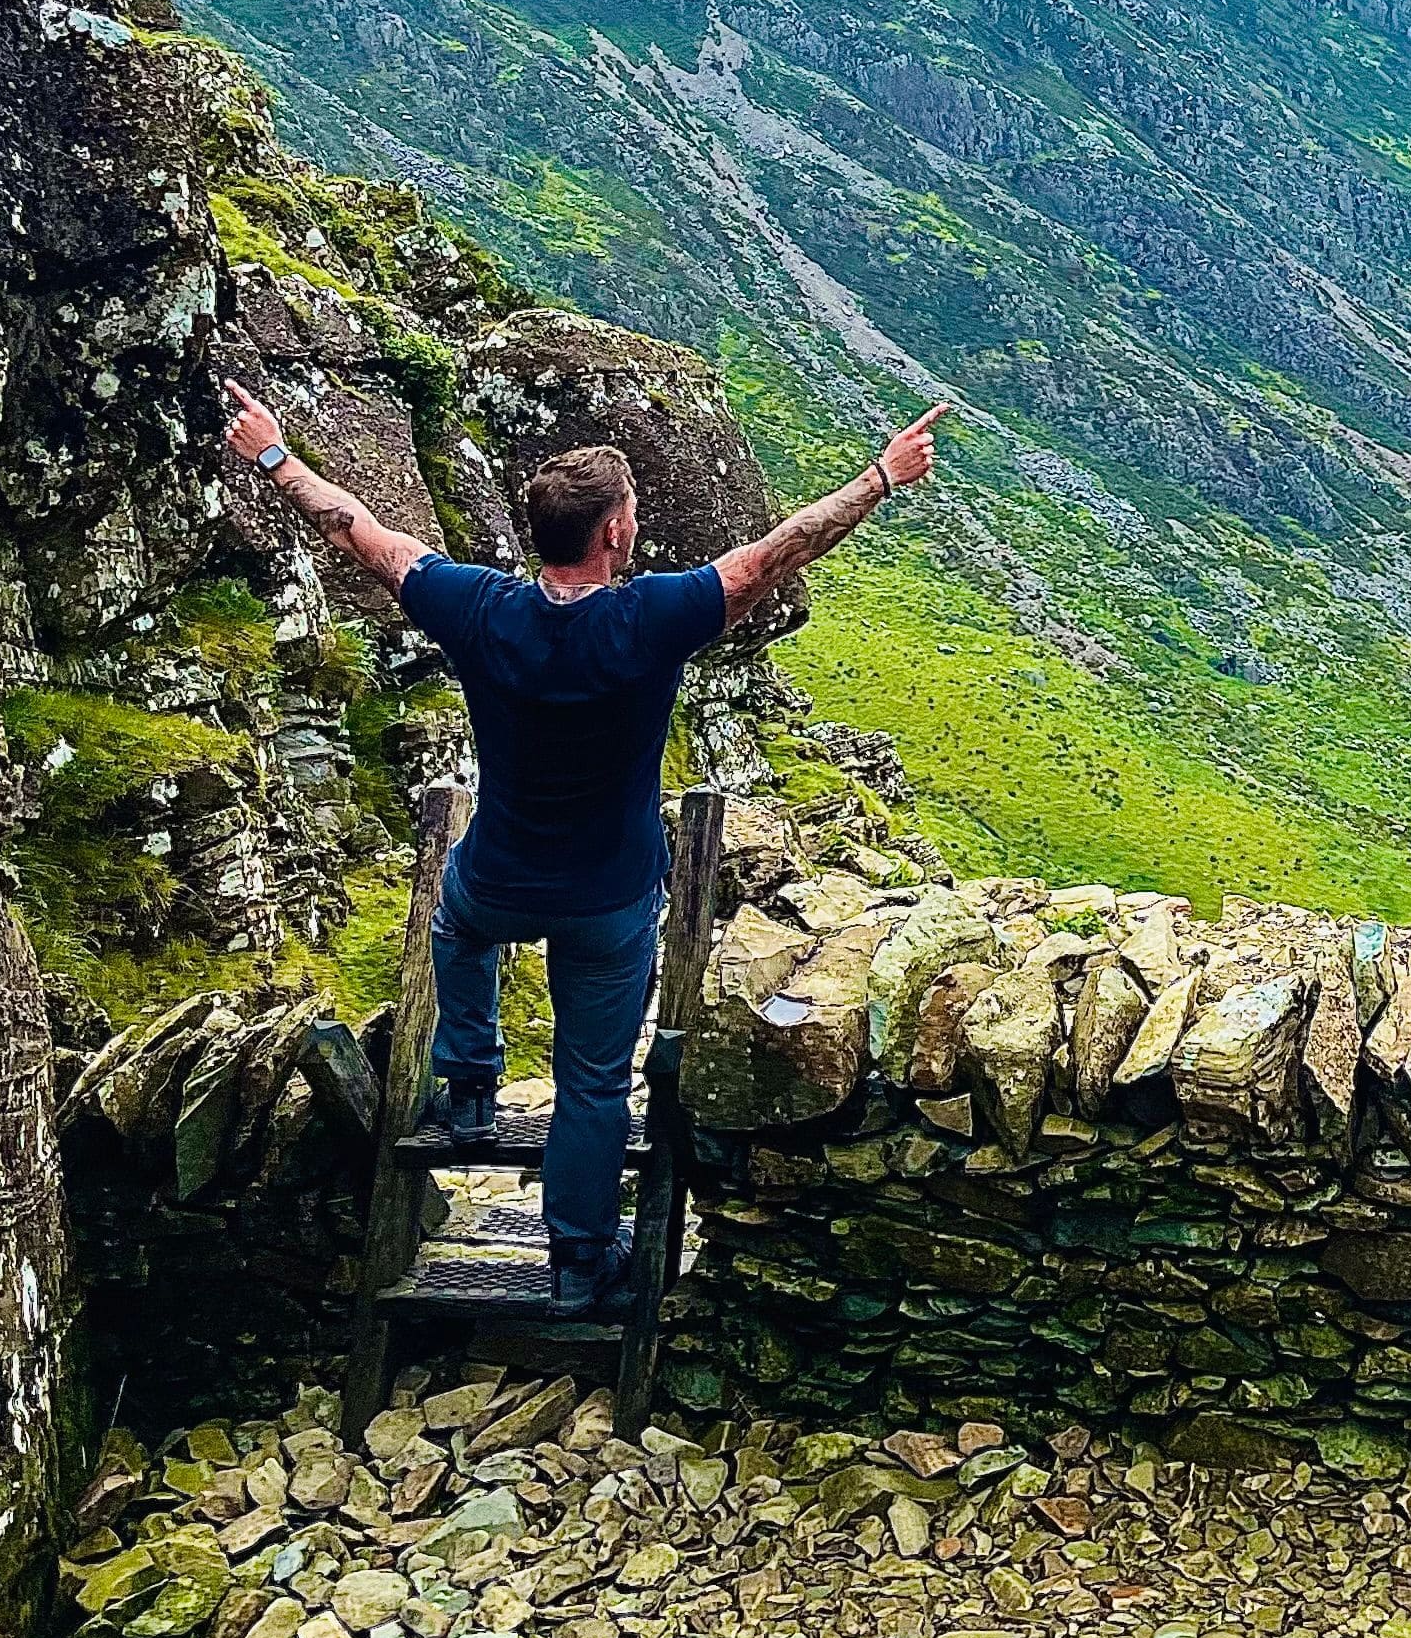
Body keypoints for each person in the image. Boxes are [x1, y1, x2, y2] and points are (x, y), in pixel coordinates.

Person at [220, 376, 943, 1309]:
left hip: (499, 875)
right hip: (608, 897)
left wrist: (275, 454)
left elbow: (356, 531)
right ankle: (574, 1264)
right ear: (614, 534)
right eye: (631, 514)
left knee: (456, 927)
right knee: (594, 1086)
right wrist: (881, 478)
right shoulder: (648, 619)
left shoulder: (477, 608)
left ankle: (471, 1089)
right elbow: (777, 553)